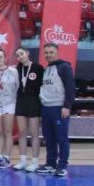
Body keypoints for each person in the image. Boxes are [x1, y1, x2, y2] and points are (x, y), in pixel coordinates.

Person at [37, 43, 75, 177]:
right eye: (46, 52)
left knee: (61, 138)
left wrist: (67, 106)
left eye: (51, 52)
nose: (48, 55)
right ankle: (51, 164)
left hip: (59, 108)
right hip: (46, 108)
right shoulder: (46, 69)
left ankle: (62, 166)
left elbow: (70, 87)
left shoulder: (64, 67)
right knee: (49, 138)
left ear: (57, 52)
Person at [14, 46, 43, 172]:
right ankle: (23, 161)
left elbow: (43, 87)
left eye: (22, 54)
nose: (20, 57)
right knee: (21, 133)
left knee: (34, 133)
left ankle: (35, 162)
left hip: (34, 102)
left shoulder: (38, 68)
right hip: (21, 102)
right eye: (18, 55)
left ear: (27, 53)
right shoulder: (16, 69)